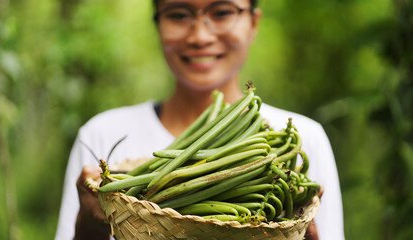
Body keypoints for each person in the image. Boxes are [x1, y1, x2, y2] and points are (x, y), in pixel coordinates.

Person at [55, 0, 345, 239]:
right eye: (178, 14)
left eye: (222, 12)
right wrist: (92, 225)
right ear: (157, 23)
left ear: (254, 23)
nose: (199, 36)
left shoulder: (308, 139)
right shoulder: (100, 136)